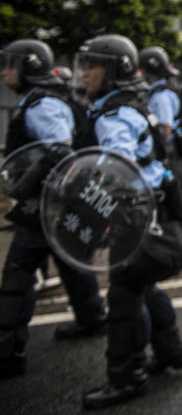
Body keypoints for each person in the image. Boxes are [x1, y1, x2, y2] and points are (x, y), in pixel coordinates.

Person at [75, 34, 182, 408]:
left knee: (124, 294)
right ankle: (173, 351)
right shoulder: (125, 105)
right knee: (144, 285)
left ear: (113, 71)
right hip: (150, 206)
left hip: (134, 212)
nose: (85, 73)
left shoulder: (114, 115)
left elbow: (116, 173)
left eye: (92, 66)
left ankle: (127, 376)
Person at [0, 39, 107, 380]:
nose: (4, 72)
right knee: (71, 263)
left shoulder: (42, 104)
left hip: (44, 208)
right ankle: (91, 320)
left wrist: (24, 186)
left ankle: (8, 352)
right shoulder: (47, 98)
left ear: (29, 66)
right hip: (57, 206)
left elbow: (60, 152)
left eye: (10, 65)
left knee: (17, 277)